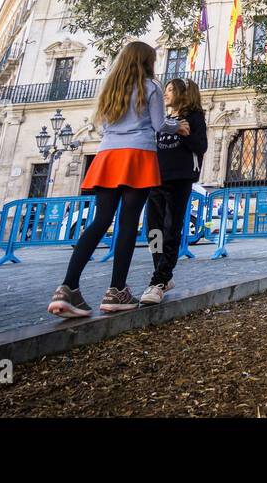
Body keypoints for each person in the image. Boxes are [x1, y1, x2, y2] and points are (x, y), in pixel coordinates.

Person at [47, 41, 185, 317]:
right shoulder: (151, 86)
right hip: (138, 155)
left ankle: (67, 287)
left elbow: (103, 125)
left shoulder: (110, 86)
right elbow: (158, 124)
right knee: (128, 223)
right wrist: (177, 125)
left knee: (100, 220)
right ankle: (116, 290)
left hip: (108, 154)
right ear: (146, 60)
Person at [139, 78, 207, 305]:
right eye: (165, 90)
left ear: (182, 94)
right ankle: (162, 271)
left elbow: (201, 146)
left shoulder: (194, 117)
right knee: (153, 229)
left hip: (179, 178)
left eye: (170, 90)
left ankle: (159, 280)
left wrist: (186, 135)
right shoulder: (162, 118)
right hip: (155, 178)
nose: (165, 94)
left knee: (171, 228)